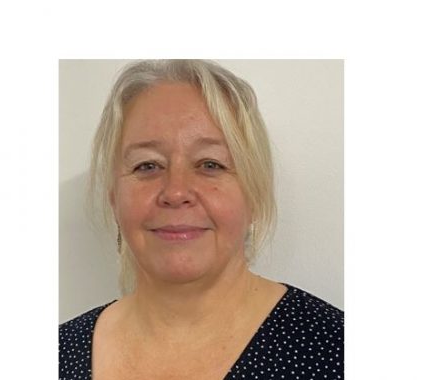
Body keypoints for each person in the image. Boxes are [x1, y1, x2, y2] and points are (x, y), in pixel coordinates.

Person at [59, 60, 344, 380]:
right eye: (147, 166)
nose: (176, 191)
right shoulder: (58, 353)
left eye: (210, 164)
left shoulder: (336, 352)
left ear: (253, 193)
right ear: (114, 197)